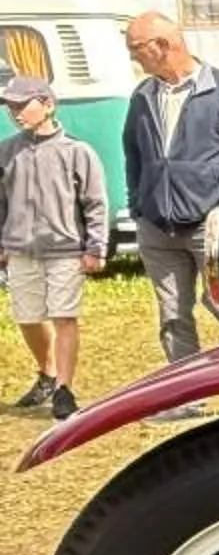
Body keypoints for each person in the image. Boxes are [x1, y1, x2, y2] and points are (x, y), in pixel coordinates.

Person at [122, 12, 219, 407]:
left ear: (162, 45)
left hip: (212, 225)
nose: (132, 57)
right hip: (157, 228)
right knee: (172, 315)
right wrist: (138, 204)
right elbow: (133, 154)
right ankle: (185, 399)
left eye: (136, 48)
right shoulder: (143, 96)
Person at [1, 72, 111, 421]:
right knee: (27, 318)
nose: (15, 113)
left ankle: (64, 389)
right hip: (20, 250)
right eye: (10, 107)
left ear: (47, 105)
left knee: (64, 317)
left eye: (22, 105)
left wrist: (95, 247)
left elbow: (95, 203)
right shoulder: (7, 151)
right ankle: (47, 373)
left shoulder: (77, 152)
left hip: (65, 250)